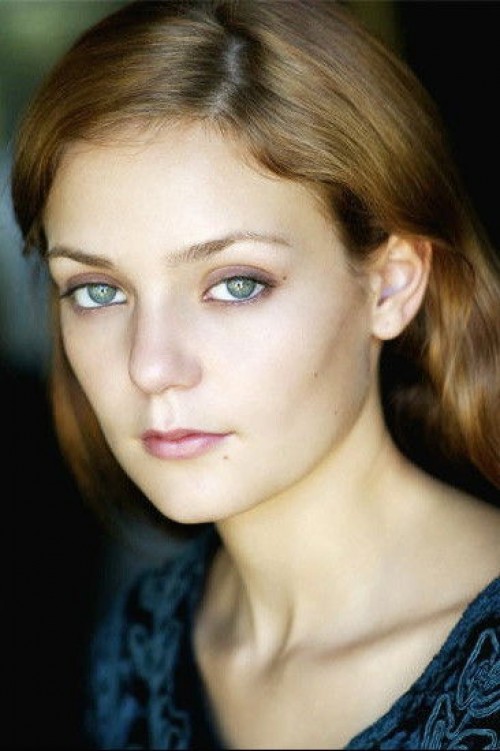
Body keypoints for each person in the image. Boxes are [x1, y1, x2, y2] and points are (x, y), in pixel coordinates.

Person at [10, 0, 500, 748]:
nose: (151, 366)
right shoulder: (137, 648)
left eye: (236, 284)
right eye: (98, 291)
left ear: (391, 286)